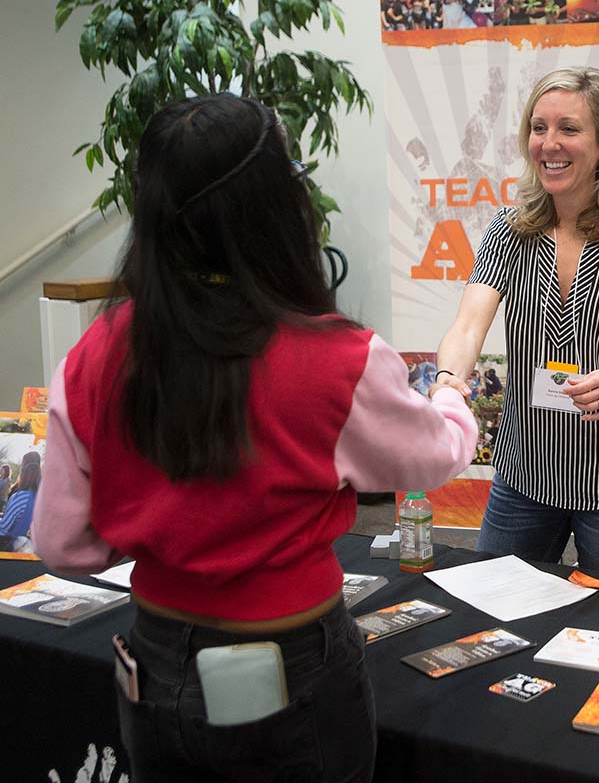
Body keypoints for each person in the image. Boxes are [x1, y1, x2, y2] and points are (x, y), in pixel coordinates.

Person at [32, 93, 477, 782]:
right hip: (290, 667)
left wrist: (162, 520)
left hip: (152, 663)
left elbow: (64, 544)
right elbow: (436, 454)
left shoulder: (94, 356)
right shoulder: (335, 361)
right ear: (276, 205)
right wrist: (450, 393)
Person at [434, 67, 599, 578]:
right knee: (492, 611)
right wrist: (447, 381)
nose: (549, 143)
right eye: (538, 127)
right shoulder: (511, 230)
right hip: (525, 471)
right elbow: (468, 326)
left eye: (568, 129)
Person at [0, 452, 41, 551]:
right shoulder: (42, 498)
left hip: (11, 545)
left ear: (23, 472)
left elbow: (4, 527)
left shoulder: (21, 496)